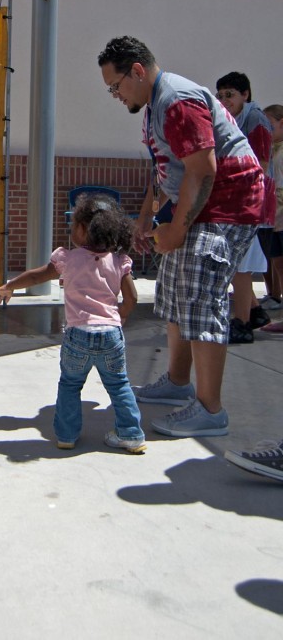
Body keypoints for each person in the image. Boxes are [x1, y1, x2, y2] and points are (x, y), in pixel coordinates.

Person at [98, 36, 263, 438]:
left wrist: (176, 228)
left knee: (202, 298)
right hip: (200, 206)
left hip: (227, 206)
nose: (114, 95)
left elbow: (203, 170)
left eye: (115, 86)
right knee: (174, 292)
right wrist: (145, 220)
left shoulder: (176, 100)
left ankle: (210, 410)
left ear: (137, 71)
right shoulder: (155, 105)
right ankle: (176, 382)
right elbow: (165, 169)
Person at [0, 193, 146, 454]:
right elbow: (132, 298)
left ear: (83, 230)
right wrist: (121, 315)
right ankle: (131, 435)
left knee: (70, 385)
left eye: (73, 225)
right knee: (118, 385)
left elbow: (37, 275)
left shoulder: (67, 259)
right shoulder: (119, 262)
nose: (71, 229)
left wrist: (9, 286)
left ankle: (67, 435)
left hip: (78, 335)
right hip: (111, 335)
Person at [215, 72, 275, 342]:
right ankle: (254, 310)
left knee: (239, 265)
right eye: (221, 95)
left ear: (245, 95)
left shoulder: (255, 119)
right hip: (236, 201)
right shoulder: (233, 118)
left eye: (230, 95)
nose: (224, 100)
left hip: (249, 202)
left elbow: (261, 164)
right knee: (237, 263)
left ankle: (241, 323)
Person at [260, 105, 283, 332]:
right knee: (276, 262)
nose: (267, 129)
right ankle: (275, 296)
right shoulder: (272, 148)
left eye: (271, 125)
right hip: (274, 217)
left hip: (281, 215)